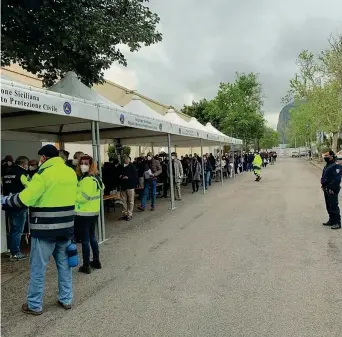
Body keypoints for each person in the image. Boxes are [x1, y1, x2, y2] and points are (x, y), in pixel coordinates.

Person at [2, 144, 77, 315]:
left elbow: (26, 198)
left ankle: (34, 304)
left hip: (45, 230)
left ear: (44, 158)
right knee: (65, 266)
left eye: (41, 158)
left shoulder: (42, 174)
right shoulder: (70, 172)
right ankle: (66, 299)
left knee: (38, 268)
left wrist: (5, 201)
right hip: (66, 228)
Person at [75, 155, 104, 274]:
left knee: (85, 240)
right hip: (93, 212)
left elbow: (83, 198)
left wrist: (72, 194)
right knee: (92, 237)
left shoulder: (87, 180)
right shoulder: (96, 178)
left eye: (86, 163)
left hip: (84, 213)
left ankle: (86, 265)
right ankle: (96, 261)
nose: (83, 165)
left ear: (91, 165)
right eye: (81, 163)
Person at [2, 156, 30, 260]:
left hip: (7, 204)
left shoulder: (6, 174)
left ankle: (10, 250)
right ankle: (16, 253)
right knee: (17, 230)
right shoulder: (22, 174)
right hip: (19, 204)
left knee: (12, 229)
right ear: (24, 164)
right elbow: (29, 187)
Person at [321, 151, 341, 230]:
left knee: (334, 205)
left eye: (326, 155)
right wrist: (323, 185)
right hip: (326, 188)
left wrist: (331, 188)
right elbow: (325, 176)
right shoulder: (328, 164)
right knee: (328, 205)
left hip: (332, 188)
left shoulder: (336, 165)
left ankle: (337, 222)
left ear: (331, 156)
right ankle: (331, 220)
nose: (324, 157)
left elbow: (337, 179)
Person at [119, 156, 138, 221]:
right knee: (123, 201)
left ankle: (129, 214)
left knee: (130, 201)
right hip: (123, 186)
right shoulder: (121, 166)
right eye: (124, 159)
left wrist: (128, 177)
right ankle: (124, 214)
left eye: (127, 159)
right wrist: (120, 176)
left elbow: (135, 176)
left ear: (129, 160)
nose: (126, 160)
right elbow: (118, 173)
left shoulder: (132, 167)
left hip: (130, 186)